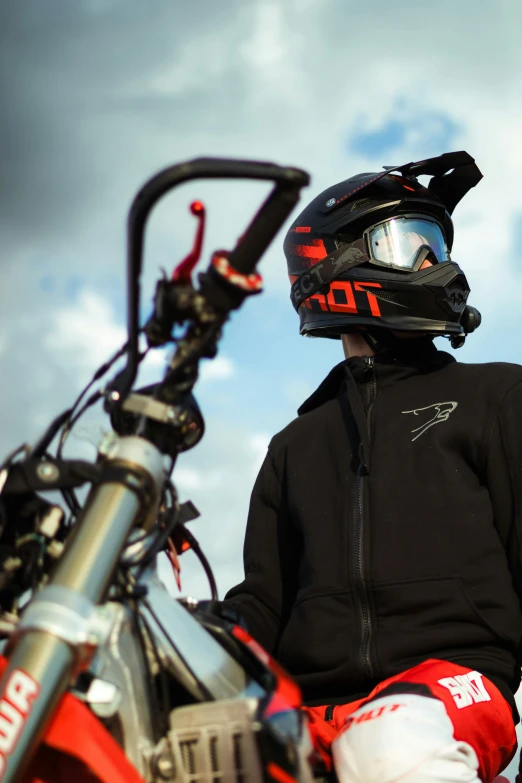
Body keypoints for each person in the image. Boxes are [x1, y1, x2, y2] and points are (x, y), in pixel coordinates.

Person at [224, 151, 522, 783]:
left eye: (436, 245)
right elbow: (263, 602)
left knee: (390, 744)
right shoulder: (294, 445)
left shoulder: (499, 398)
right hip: (305, 712)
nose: (432, 264)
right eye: (410, 242)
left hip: (453, 684)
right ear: (332, 261)